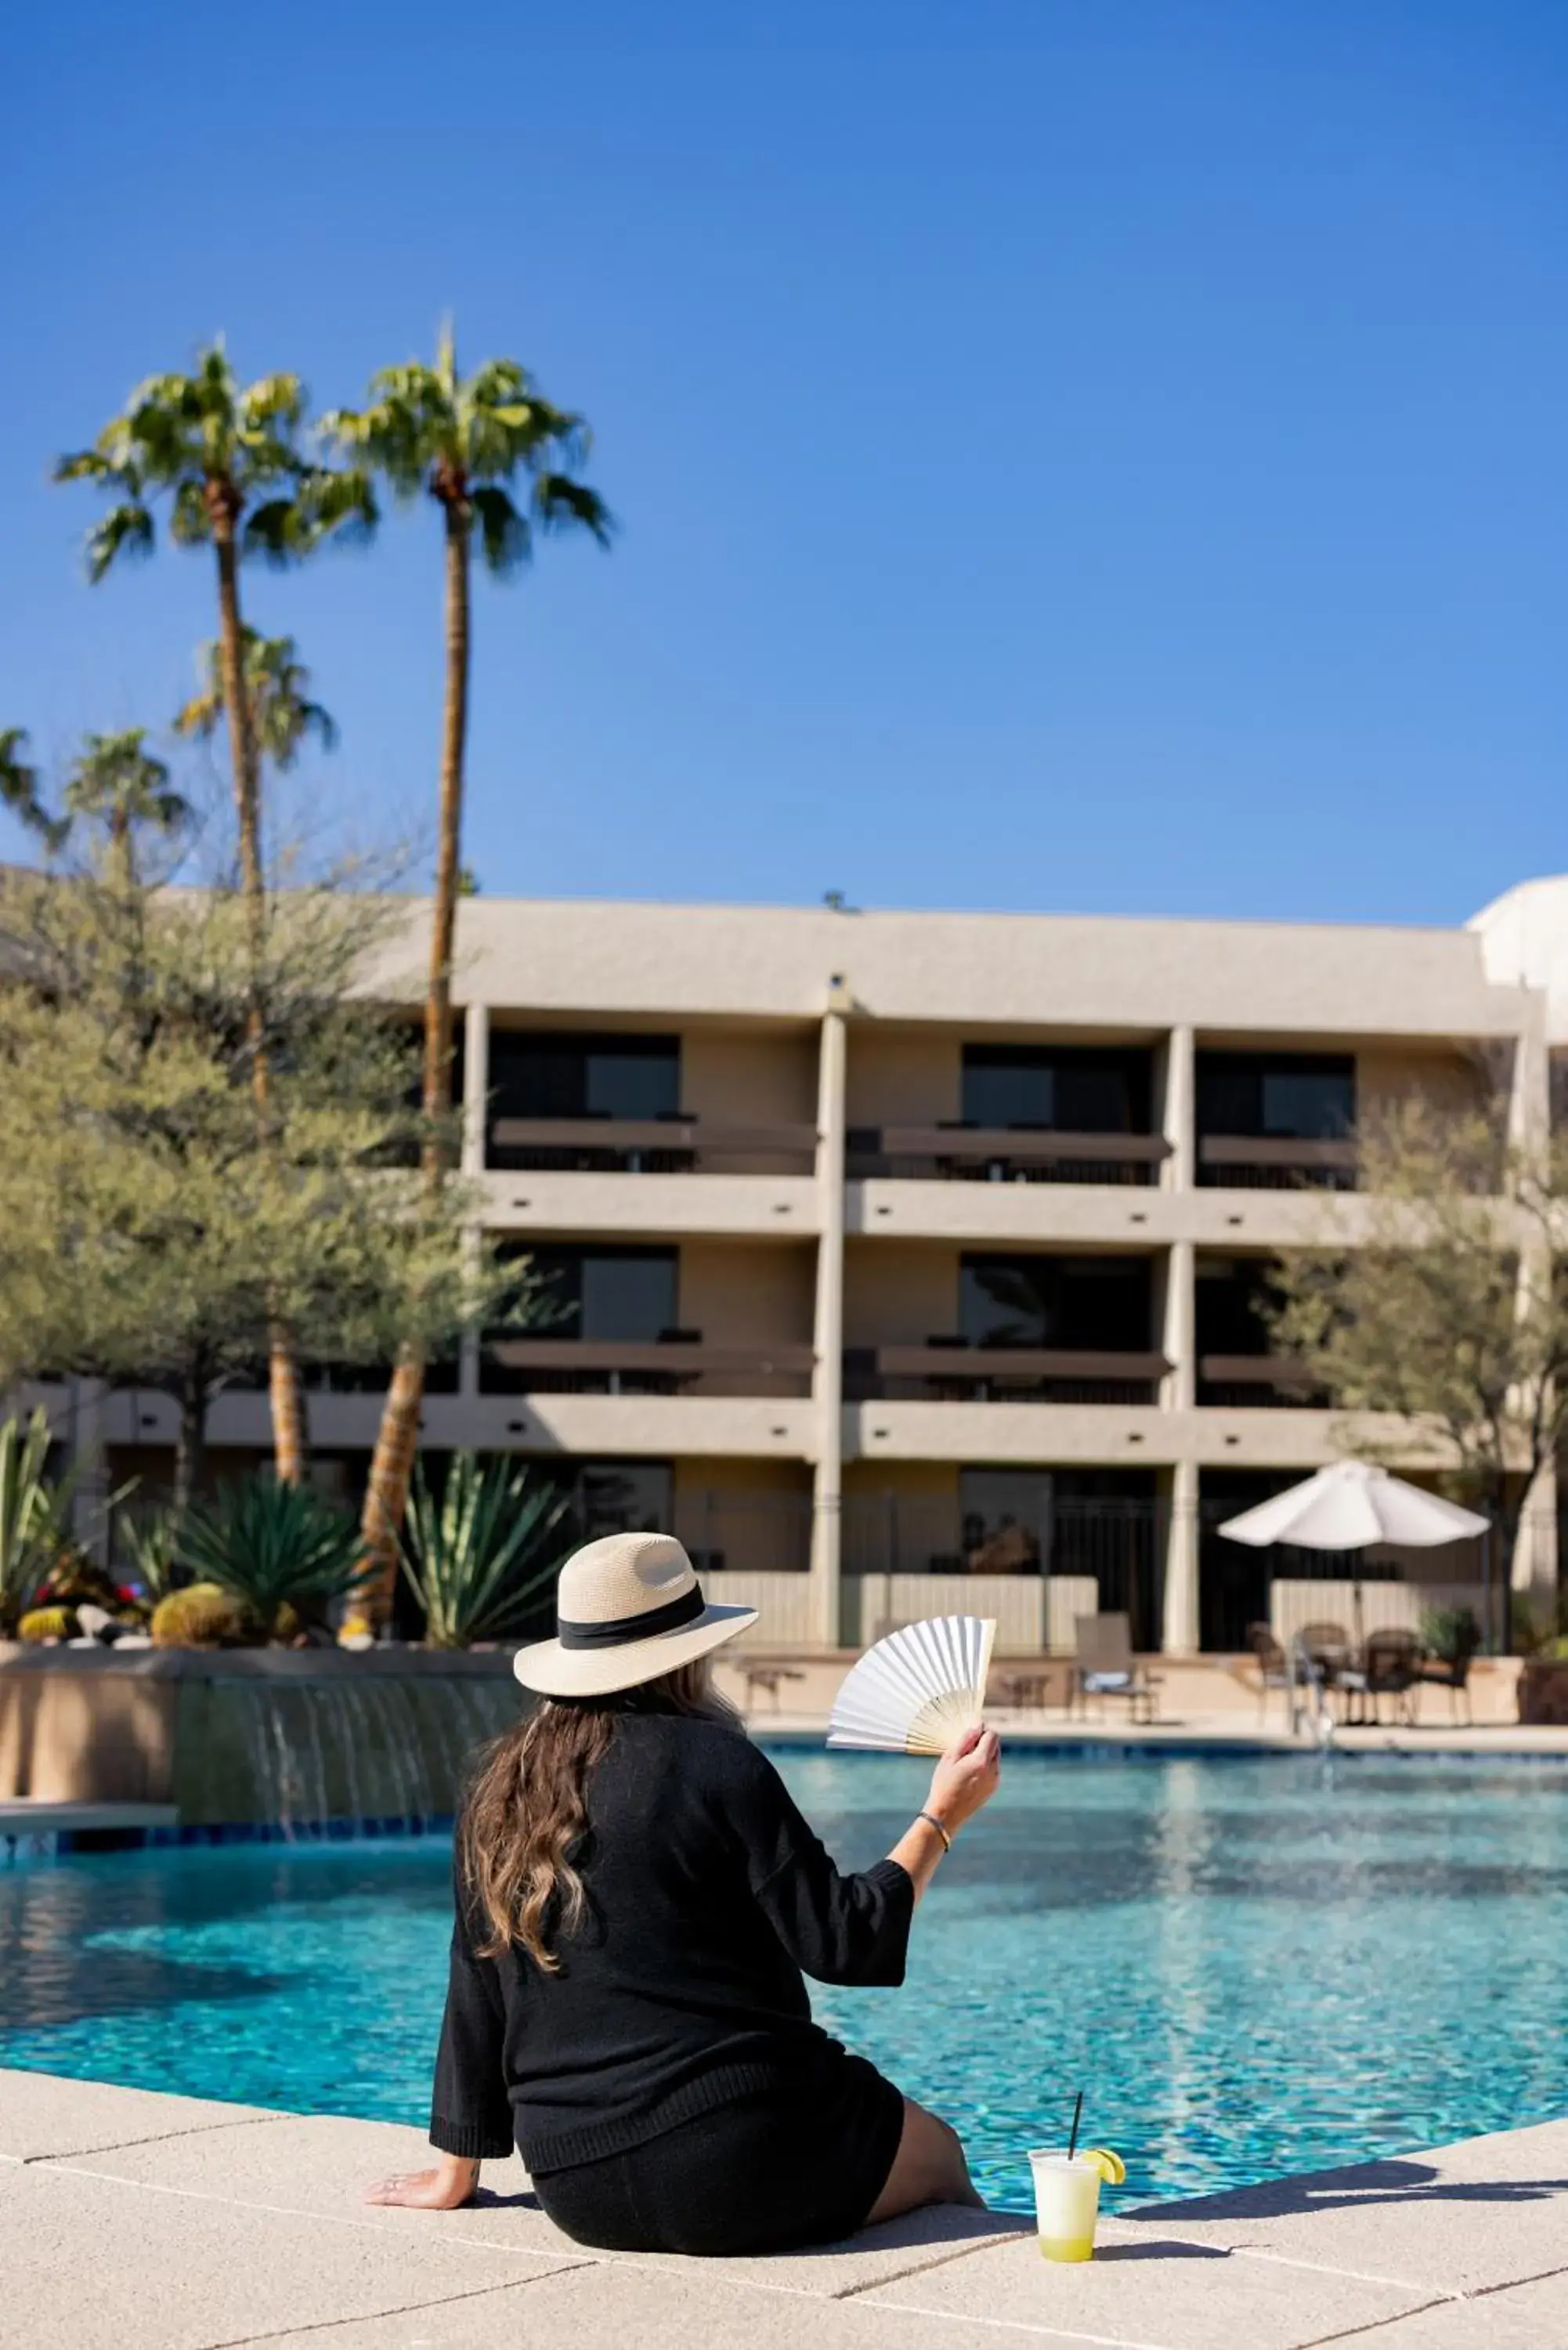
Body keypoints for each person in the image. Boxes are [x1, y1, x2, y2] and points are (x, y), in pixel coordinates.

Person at [367, 1529, 1002, 2254]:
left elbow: (476, 1980)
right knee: (943, 2155)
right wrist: (941, 1818)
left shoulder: (502, 1787)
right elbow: (843, 1943)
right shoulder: (718, 1763)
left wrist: (457, 2167)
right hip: (745, 2156)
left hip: (576, 2185)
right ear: (691, 1653)